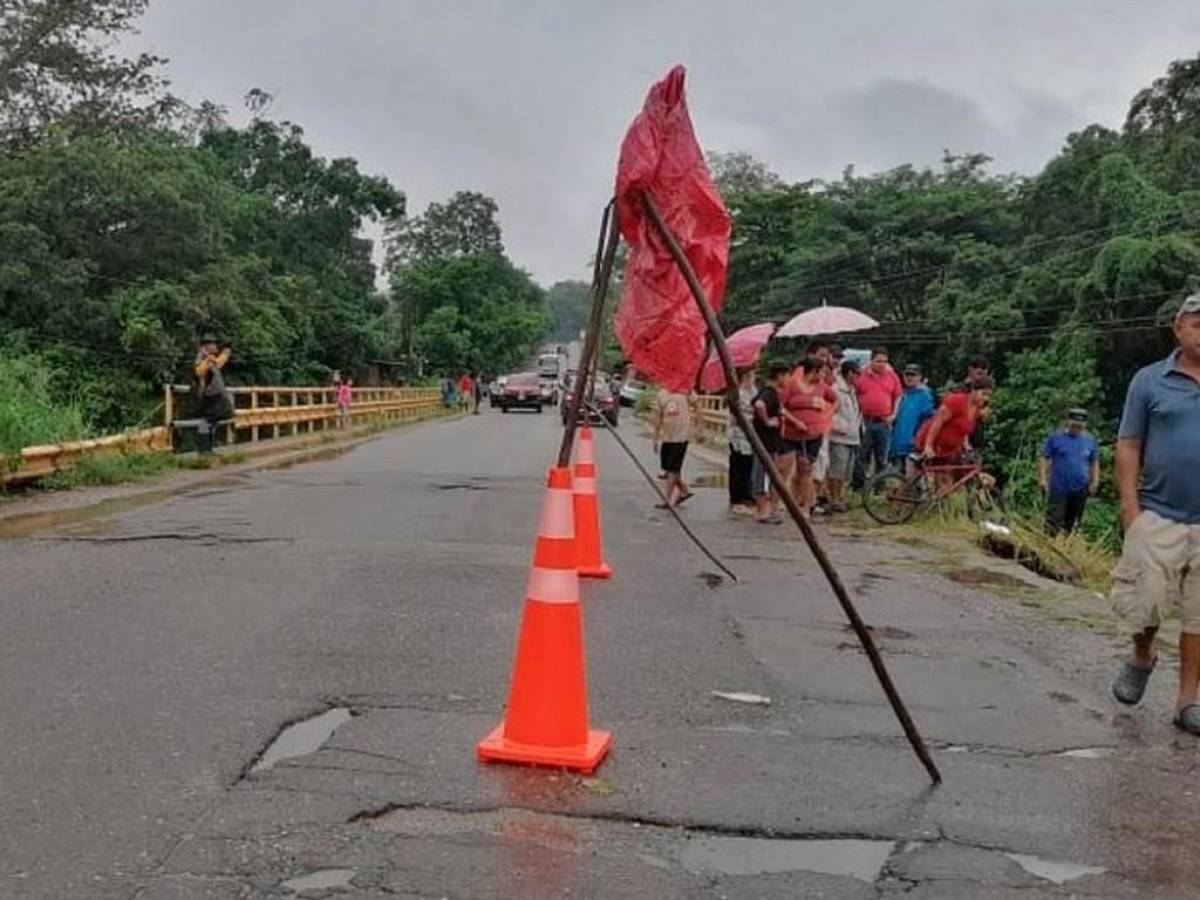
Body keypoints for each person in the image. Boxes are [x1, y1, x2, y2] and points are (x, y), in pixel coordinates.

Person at [1109, 294, 1200, 735]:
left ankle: (1187, 702)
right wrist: (1131, 509)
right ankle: (1143, 656)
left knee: (1199, 614)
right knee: (1145, 601)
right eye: (1198, 324)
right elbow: (1128, 445)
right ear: (1178, 329)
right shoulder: (1150, 381)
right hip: (1158, 512)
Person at [779, 356, 838, 517]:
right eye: (821, 372)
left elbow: (835, 400)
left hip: (813, 434)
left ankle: (805, 506)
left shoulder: (822, 387)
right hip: (791, 434)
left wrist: (827, 415)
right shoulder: (791, 385)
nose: (823, 376)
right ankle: (784, 501)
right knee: (784, 468)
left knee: (805, 469)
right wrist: (795, 421)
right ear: (813, 371)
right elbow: (780, 407)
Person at [1039, 409, 1100, 535]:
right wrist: (1043, 479)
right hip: (1059, 487)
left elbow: (1094, 462)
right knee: (1053, 521)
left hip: (1080, 488)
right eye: (1074, 425)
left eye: (1080, 425)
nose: (1077, 428)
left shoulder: (1090, 442)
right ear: (1068, 423)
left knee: (1073, 522)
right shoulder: (1055, 438)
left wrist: (1095, 481)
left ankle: (1067, 547)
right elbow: (1044, 457)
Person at [917, 377, 994, 462]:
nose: (986, 398)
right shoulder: (956, 401)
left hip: (949, 450)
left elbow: (962, 428)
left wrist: (966, 445)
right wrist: (928, 446)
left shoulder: (978, 409)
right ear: (974, 391)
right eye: (983, 394)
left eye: (989, 395)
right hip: (932, 446)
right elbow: (937, 422)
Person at [855, 347, 902, 478]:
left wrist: (894, 414)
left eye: (884, 362)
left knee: (882, 457)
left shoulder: (892, 376)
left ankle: (879, 485)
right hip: (866, 420)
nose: (882, 365)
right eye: (878, 361)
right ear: (871, 361)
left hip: (884, 421)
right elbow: (854, 395)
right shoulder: (861, 375)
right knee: (862, 455)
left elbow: (898, 396)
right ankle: (860, 484)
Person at [751, 364, 789, 524]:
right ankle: (762, 512)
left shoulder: (767, 392)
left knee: (764, 474)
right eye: (787, 376)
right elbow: (759, 405)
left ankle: (764, 510)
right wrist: (767, 421)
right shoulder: (769, 393)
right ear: (779, 375)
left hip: (766, 441)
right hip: (766, 442)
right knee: (763, 475)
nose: (788, 380)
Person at [652, 387, 696, 510]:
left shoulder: (686, 390)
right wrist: (655, 437)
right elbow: (658, 416)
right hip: (667, 437)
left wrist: (699, 428)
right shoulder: (661, 394)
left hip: (681, 436)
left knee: (672, 469)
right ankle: (683, 490)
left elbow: (697, 406)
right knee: (669, 469)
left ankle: (666, 499)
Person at [827, 359, 862, 513]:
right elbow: (829, 413)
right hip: (839, 436)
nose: (858, 377)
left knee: (846, 472)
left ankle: (840, 497)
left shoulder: (851, 391)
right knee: (837, 470)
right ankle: (834, 498)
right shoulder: (836, 390)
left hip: (852, 436)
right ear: (849, 374)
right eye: (857, 374)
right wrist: (842, 427)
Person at [890, 364, 936, 471]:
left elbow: (927, 421)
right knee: (899, 480)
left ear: (919, 377)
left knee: (912, 480)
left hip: (913, 447)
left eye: (913, 375)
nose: (909, 378)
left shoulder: (925, 396)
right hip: (898, 446)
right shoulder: (903, 395)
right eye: (907, 375)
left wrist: (918, 440)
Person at [193, 333, 232, 454]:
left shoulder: (212, 358)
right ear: (206, 346)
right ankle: (204, 450)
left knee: (215, 420)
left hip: (216, 396)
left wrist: (226, 352)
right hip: (208, 395)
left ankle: (209, 449)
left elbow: (219, 362)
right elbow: (198, 372)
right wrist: (208, 361)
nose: (215, 346)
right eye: (213, 344)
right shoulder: (202, 358)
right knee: (207, 421)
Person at [727, 368, 756, 517]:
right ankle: (736, 499)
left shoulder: (754, 392)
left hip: (752, 437)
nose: (752, 378)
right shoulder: (736, 393)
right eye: (750, 375)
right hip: (738, 436)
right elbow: (734, 417)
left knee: (748, 467)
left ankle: (747, 497)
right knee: (738, 468)